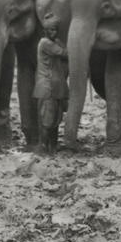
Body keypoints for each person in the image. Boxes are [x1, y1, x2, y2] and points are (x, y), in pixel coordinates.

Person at [33, 13, 69, 154]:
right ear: (45, 31)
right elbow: (65, 54)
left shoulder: (54, 43)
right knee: (47, 121)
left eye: (56, 30)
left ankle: (53, 148)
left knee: (55, 121)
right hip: (46, 87)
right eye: (51, 30)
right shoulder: (45, 43)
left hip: (56, 87)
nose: (54, 33)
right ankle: (42, 148)